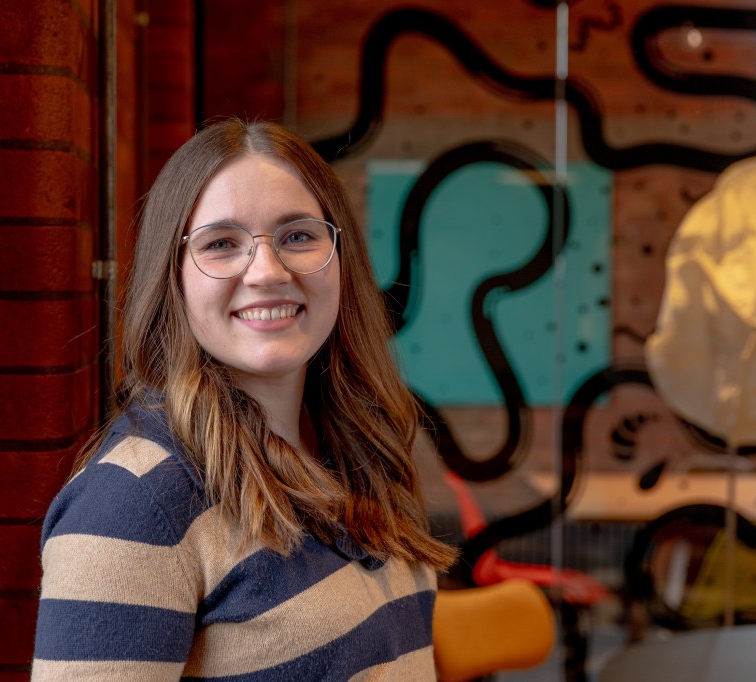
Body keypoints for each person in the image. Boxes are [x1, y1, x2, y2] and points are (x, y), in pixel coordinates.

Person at [32, 119, 457, 681]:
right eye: (221, 244)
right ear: (173, 276)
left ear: (340, 255)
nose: (267, 272)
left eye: (298, 236)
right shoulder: (134, 504)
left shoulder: (352, 450)